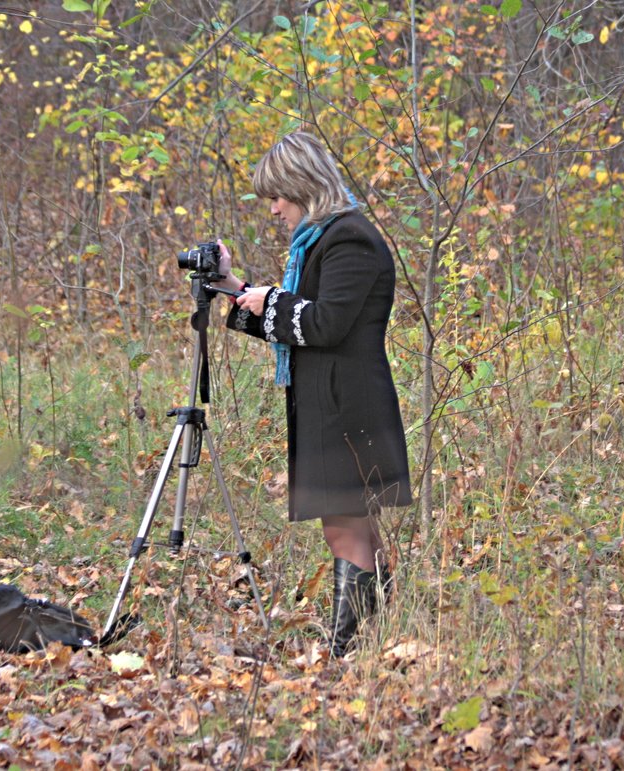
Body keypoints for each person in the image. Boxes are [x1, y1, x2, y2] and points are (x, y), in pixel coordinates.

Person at [211, 131, 412, 657]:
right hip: (331, 401)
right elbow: (300, 317)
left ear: (303, 186)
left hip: (348, 406)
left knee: (345, 526)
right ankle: (375, 635)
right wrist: (236, 289)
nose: (273, 208)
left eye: (277, 195)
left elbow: (324, 323)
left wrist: (268, 300)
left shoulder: (350, 238)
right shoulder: (323, 240)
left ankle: (349, 647)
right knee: (352, 524)